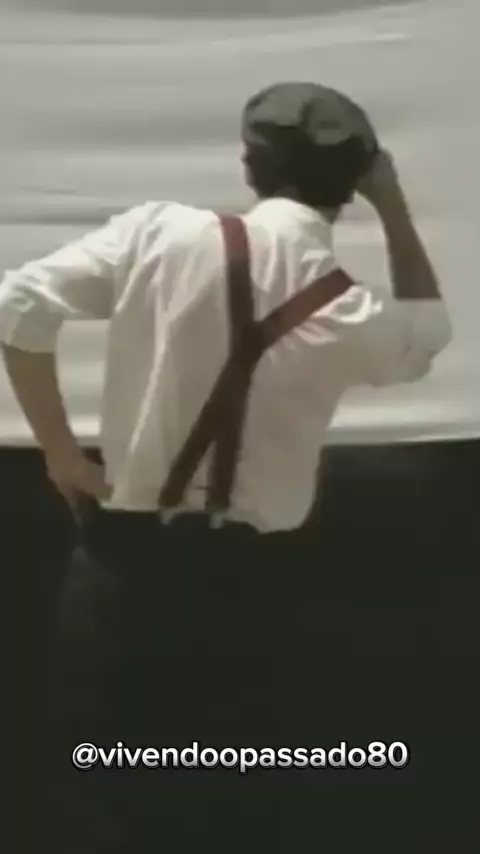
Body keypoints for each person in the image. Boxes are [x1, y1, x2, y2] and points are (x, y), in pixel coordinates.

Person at [0, 82, 451, 851]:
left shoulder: (157, 235)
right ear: (355, 180)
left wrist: (62, 454)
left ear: (248, 164)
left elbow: (18, 306)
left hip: (128, 564)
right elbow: (426, 335)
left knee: (115, 788)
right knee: (243, 795)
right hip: (252, 586)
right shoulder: (351, 312)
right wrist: (394, 205)